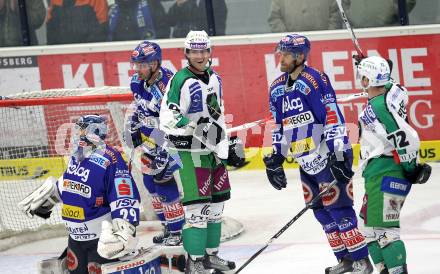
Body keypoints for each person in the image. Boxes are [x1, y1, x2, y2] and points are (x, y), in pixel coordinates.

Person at [264, 34, 373, 274]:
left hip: (325, 159)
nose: (280, 58)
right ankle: (344, 259)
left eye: (286, 54)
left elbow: (331, 116)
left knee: (340, 211)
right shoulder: (276, 87)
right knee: (322, 214)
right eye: (280, 53)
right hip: (305, 163)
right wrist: (276, 160)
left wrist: (340, 153)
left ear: (300, 56)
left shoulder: (316, 80)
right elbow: (278, 125)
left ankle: (361, 261)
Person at [159, 30, 239, 273]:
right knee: (197, 210)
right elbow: (168, 116)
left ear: (209, 52)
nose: (199, 55)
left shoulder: (215, 79)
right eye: (194, 51)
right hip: (187, 151)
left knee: (216, 207)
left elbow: (218, 115)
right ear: (187, 53)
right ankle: (195, 262)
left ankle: (211, 257)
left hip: (211, 150)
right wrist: (191, 126)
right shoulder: (179, 80)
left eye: (203, 50)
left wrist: (225, 144)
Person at [18, 114, 141, 273]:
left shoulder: (110, 158)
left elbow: (124, 193)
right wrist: (49, 197)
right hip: (75, 238)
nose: (78, 133)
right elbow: (69, 184)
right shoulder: (77, 156)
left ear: (94, 131)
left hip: (100, 240)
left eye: (82, 129)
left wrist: (125, 226)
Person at [356, 56, 431, 274]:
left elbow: (405, 137)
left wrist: (411, 169)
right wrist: (368, 64)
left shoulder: (380, 107)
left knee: (384, 231)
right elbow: (388, 82)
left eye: (362, 76)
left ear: (368, 80)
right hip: (377, 171)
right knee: (367, 229)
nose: (360, 79)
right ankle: (385, 270)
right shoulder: (395, 90)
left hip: (387, 172)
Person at [125, 40, 185, 246]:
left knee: (163, 181)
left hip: (172, 141)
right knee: (150, 183)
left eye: (142, 65)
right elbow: (140, 107)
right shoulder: (135, 81)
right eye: (136, 64)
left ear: (154, 64)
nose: (138, 69)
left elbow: (175, 123)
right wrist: (135, 124)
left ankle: (178, 231)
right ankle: (168, 226)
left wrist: (166, 150)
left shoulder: (168, 85)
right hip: (151, 142)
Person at [267, 0, 345, 33]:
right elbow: (274, 19)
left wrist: (327, 38)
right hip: (293, 51)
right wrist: (289, 40)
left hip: (325, 48)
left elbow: (337, 14)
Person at [346, 0, 416, 28]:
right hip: (358, 33)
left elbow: (409, 2)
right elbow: (343, 4)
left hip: (390, 31)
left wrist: (392, 10)